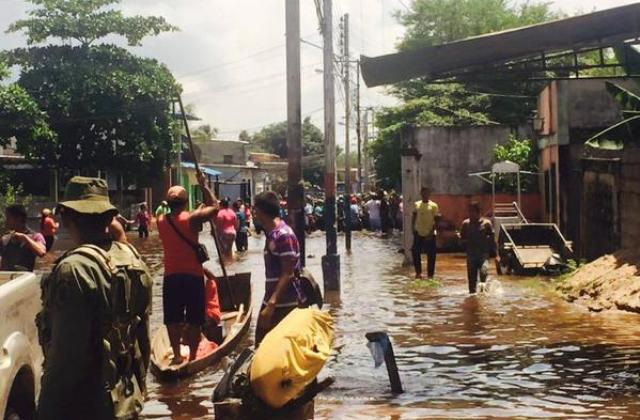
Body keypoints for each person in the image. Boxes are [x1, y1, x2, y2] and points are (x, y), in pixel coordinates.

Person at [37, 176, 152, 420]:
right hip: (126, 397)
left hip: (87, 403)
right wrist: (141, 389)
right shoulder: (134, 259)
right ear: (109, 217)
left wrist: (45, 411)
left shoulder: (74, 269)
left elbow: (65, 359)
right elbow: (143, 337)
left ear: (66, 217)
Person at [157, 171, 218, 364]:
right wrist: (204, 185)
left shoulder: (160, 221)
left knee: (173, 319)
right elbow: (214, 207)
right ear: (185, 203)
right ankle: (192, 357)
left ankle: (176, 355)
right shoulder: (192, 220)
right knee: (194, 319)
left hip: (171, 277)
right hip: (192, 276)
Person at [254, 191, 306, 346]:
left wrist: (271, 304)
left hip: (284, 304)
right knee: (262, 346)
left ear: (262, 211)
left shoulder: (283, 235)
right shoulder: (272, 234)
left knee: (270, 348)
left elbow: (288, 273)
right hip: (274, 300)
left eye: (255, 210)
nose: (254, 214)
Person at [460, 201, 495, 294]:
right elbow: (461, 239)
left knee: (484, 272)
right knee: (472, 280)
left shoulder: (487, 223)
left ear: (478, 212)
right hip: (471, 255)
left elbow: (492, 238)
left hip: (483, 254)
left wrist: (496, 254)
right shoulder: (466, 224)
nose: (471, 214)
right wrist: (464, 241)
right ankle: (473, 297)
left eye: (473, 212)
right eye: (470, 211)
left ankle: (484, 295)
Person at [0, 204, 46, 271]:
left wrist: (24, 238)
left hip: (25, 279)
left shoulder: (36, 236)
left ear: (19, 218)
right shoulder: (5, 239)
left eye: (8, 218)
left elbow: (41, 252)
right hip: (8, 279)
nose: (6, 221)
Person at [412, 187, 440, 279]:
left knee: (431, 255)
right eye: (423, 193)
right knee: (415, 253)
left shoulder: (434, 205)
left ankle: (430, 275)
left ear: (429, 194)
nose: (425, 195)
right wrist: (413, 228)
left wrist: (431, 232)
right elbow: (414, 216)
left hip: (430, 234)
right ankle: (418, 273)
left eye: (427, 193)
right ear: (421, 194)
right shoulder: (417, 204)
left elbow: (437, 220)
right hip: (418, 232)